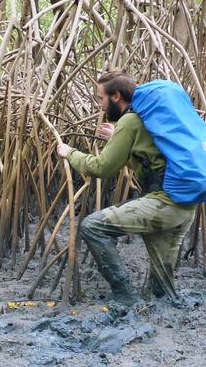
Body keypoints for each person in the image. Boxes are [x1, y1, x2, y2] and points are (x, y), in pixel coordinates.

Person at [56, 71, 195, 305]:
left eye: (101, 99)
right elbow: (149, 154)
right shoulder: (148, 117)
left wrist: (70, 153)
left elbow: (101, 167)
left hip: (163, 205)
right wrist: (117, 137)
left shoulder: (130, 121)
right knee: (161, 293)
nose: (99, 105)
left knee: (92, 226)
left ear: (116, 96)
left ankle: (125, 296)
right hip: (184, 206)